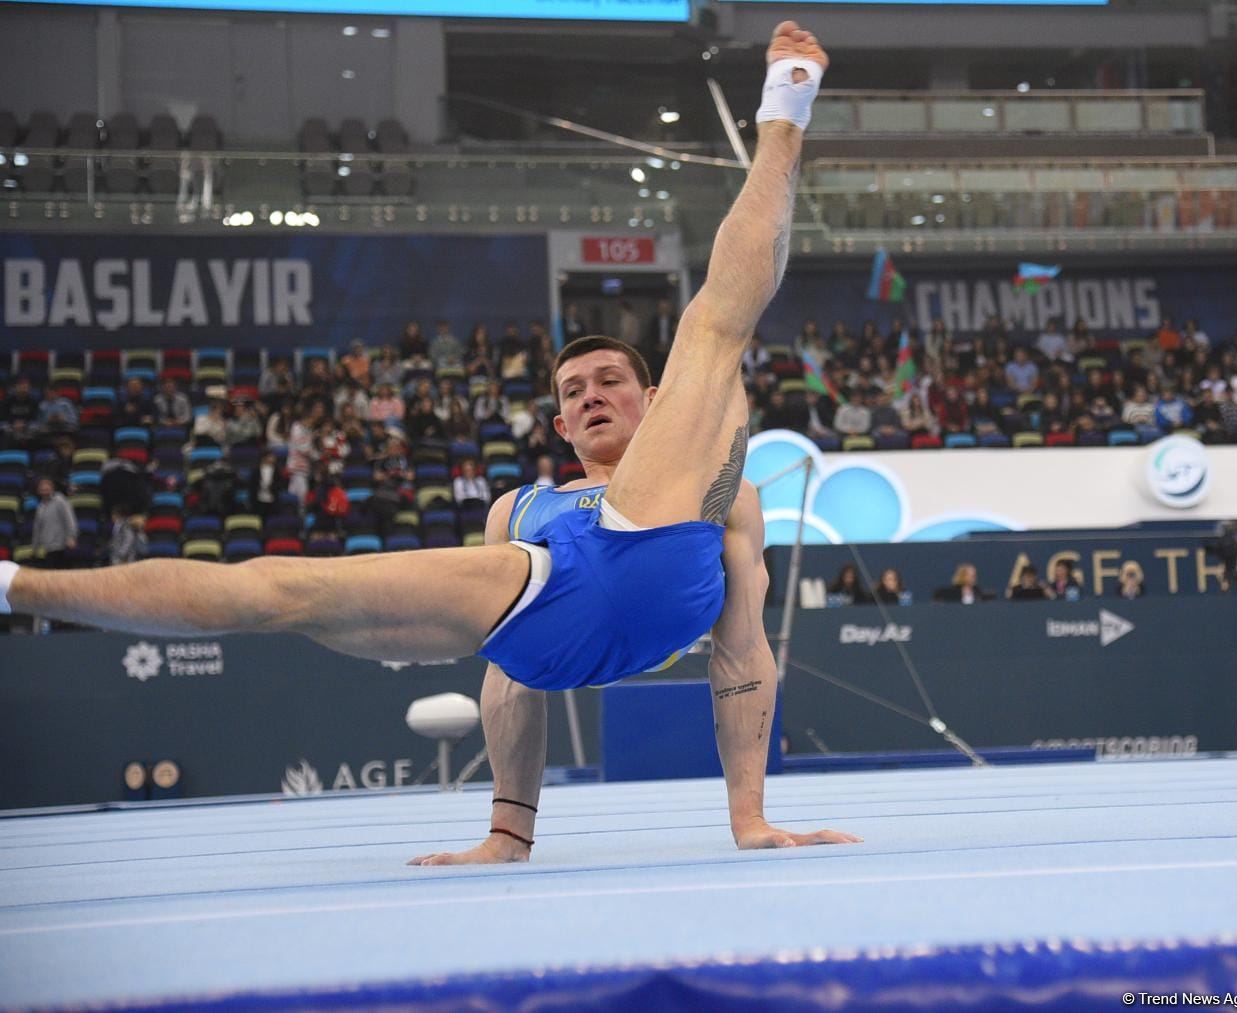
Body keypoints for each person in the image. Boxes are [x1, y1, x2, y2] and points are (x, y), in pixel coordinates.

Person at [0, 22, 855, 861]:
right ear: (557, 426)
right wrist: (507, 833)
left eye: (609, 381)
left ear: (656, 402)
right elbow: (510, 675)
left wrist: (751, 817)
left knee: (713, 324)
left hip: (653, 550)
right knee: (273, 591)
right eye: (573, 391)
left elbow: (742, 652)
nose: (592, 395)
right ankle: (17, 585)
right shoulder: (519, 509)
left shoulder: (726, 491)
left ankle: (785, 110)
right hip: (544, 605)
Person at [31, 477, 77, 570]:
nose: (44, 491)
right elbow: (37, 529)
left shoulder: (59, 500)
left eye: (47, 488)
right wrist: (35, 548)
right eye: (42, 489)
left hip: (62, 545)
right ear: (39, 491)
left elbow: (69, 518)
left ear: (52, 488)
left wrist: (71, 536)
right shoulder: (40, 508)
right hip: (48, 547)